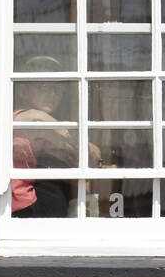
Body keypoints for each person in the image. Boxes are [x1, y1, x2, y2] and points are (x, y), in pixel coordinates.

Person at [12, 57, 100, 218]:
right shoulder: (31, 118)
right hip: (21, 206)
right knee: (56, 191)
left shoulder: (37, 132)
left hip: (18, 205)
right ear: (23, 90)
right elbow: (82, 149)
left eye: (57, 89)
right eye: (44, 87)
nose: (52, 94)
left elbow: (79, 156)